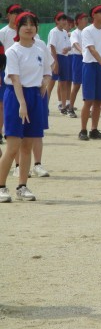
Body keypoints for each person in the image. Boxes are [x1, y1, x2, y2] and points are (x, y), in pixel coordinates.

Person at [0, 12, 51, 203]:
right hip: (16, 96)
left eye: (32, 24)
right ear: (17, 28)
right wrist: (22, 104)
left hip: (35, 96)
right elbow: (15, 79)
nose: (29, 28)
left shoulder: (40, 48)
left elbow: (48, 71)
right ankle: (1, 187)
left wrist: (44, 84)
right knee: (13, 147)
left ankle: (22, 186)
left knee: (27, 145)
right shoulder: (13, 51)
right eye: (25, 24)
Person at [78, 5, 101, 141]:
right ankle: (83, 130)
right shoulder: (87, 31)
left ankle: (94, 130)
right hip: (90, 66)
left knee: (99, 101)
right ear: (93, 15)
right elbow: (92, 50)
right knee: (88, 100)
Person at [0, 4, 25, 140]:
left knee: (20, 101)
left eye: (19, 12)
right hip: (5, 71)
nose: (16, 15)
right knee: (3, 103)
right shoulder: (3, 32)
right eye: (14, 12)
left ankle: (18, 129)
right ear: (8, 15)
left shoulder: (23, 32)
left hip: (22, 73)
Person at [47, 12, 72, 115]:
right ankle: (45, 106)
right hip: (55, 57)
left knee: (63, 83)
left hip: (64, 58)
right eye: (61, 19)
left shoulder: (65, 32)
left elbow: (69, 45)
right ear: (56, 21)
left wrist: (68, 48)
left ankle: (63, 106)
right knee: (51, 83)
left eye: (65, 19)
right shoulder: (54, 31)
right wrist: (55, 62)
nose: (64, 21)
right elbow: (52, 46)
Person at [68, 13, 88, 118]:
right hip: (78, 59)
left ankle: (86, 109)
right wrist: (82, 51)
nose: (86, 21)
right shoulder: (75, 33)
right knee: (76, 85)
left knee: (87, 85)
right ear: (78, 21)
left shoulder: (88, 32)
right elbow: (75, 44)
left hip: (87, 59)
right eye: (84, 19)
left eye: (87, 19)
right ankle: (70, 108)